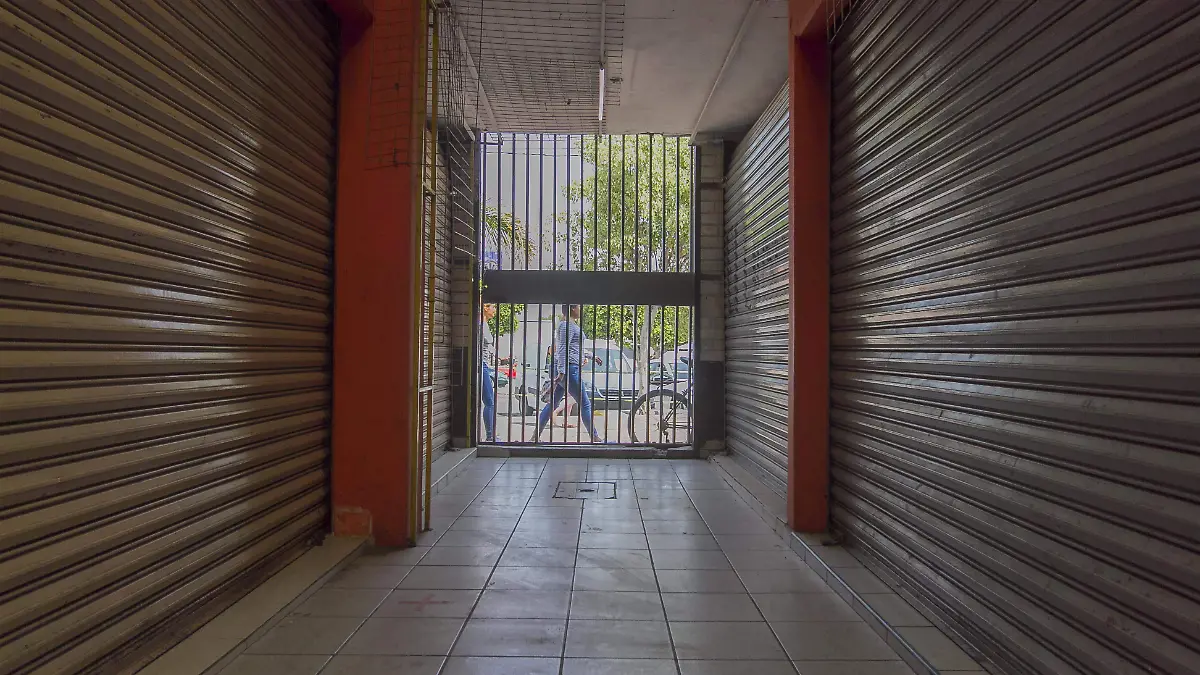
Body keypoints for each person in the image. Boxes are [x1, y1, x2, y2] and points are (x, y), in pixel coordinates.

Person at [537, 304, 603, 442]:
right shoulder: (566, 325)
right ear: (573, 308)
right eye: (579, 307)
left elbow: (575, 348)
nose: (581, 309)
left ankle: (534, 437)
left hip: (566, 369)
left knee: (553, 404)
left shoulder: (569, 325)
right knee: (585, 404)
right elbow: (562, 349)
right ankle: (595, 437)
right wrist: (561, 372)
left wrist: (592, 356)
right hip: (569, 369)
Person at [480, 303, 497, 443]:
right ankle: (490, 436)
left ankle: (490, 435)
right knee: (489, 401)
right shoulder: (481, 325)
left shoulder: (484, 324)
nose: (495, 310)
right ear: (486, 308)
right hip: (481, 365)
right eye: (493, 307)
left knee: (488, 401)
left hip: (484, 365)